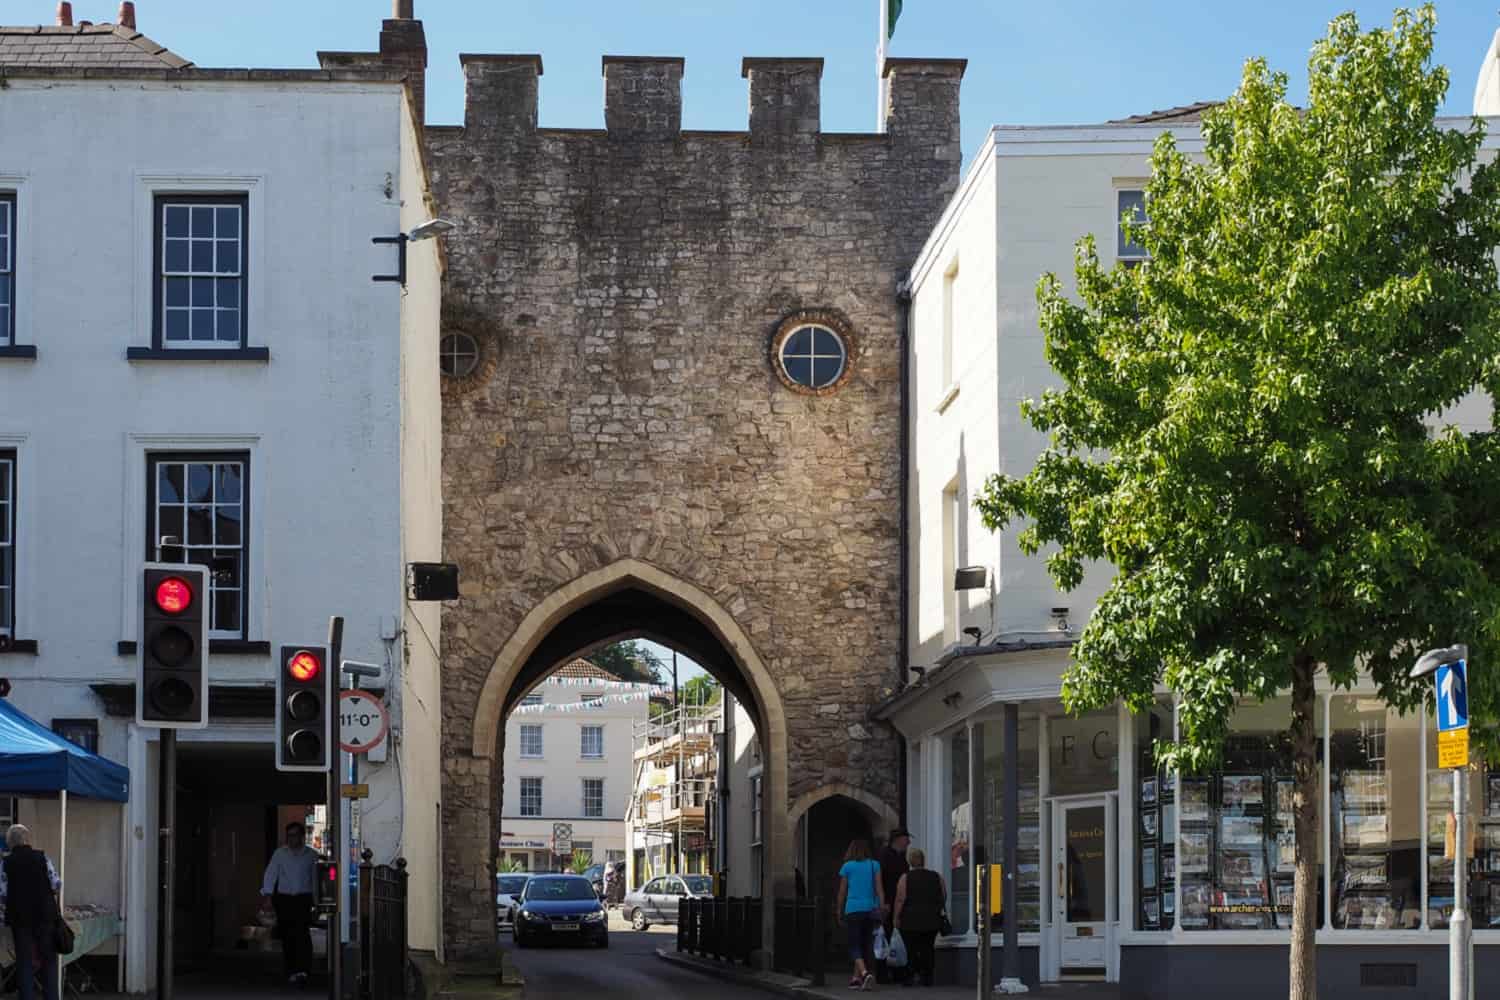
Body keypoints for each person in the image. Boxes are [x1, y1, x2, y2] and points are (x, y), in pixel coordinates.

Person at [1, 825, 62, 1000]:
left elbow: (2, 893)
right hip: (45, 917)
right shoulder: (42, 858)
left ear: (10, 843)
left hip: (20, 920)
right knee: (49, 962)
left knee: (24, 964)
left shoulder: (6, 863)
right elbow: (57, 884)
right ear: (28, 840)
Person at [259, 821, 318, 986]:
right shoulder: (280, 854)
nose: (291, 839)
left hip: (303, 899)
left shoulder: (311, 855)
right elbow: (271, 873)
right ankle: (291, 970)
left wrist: (316, 902)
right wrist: (267, 896)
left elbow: (315, 879)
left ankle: (304, 970)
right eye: (289, 836)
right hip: (284, 899)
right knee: (287, 936)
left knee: (303, 935)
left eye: (294, 835)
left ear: (302, 836)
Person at [893, 847, 947, 988]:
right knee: (928, 947)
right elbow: (943, 895)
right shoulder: (937, 876)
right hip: (931, 919)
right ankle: (927, 977)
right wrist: (936, 909)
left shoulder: (906, 877)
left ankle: (909, 977)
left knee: (910, 949)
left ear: (910, 861)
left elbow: (900, 899)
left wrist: (896, 917)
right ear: (923, 860)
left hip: (910, 920)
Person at [835, 838, 885, 991]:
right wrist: (881, 908)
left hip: (853, 909)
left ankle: (864, 974)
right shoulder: (874, 865)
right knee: (865, 944)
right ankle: (855, 979)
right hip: (870, 909)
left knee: (853, 945)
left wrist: (838, 910)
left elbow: (842, 892)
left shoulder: (847, 867)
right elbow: (879, 889)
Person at [875, 828, 912, 984]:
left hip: (899, 903)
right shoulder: (885, 856)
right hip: (889, 903)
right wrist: (883, 902)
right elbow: (880, 881)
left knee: (897, 938)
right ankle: (883, 974)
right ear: (898, 839)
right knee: (885, 937)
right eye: (906, 839)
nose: (908, 842)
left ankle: (897, 972)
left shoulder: (902, 857)